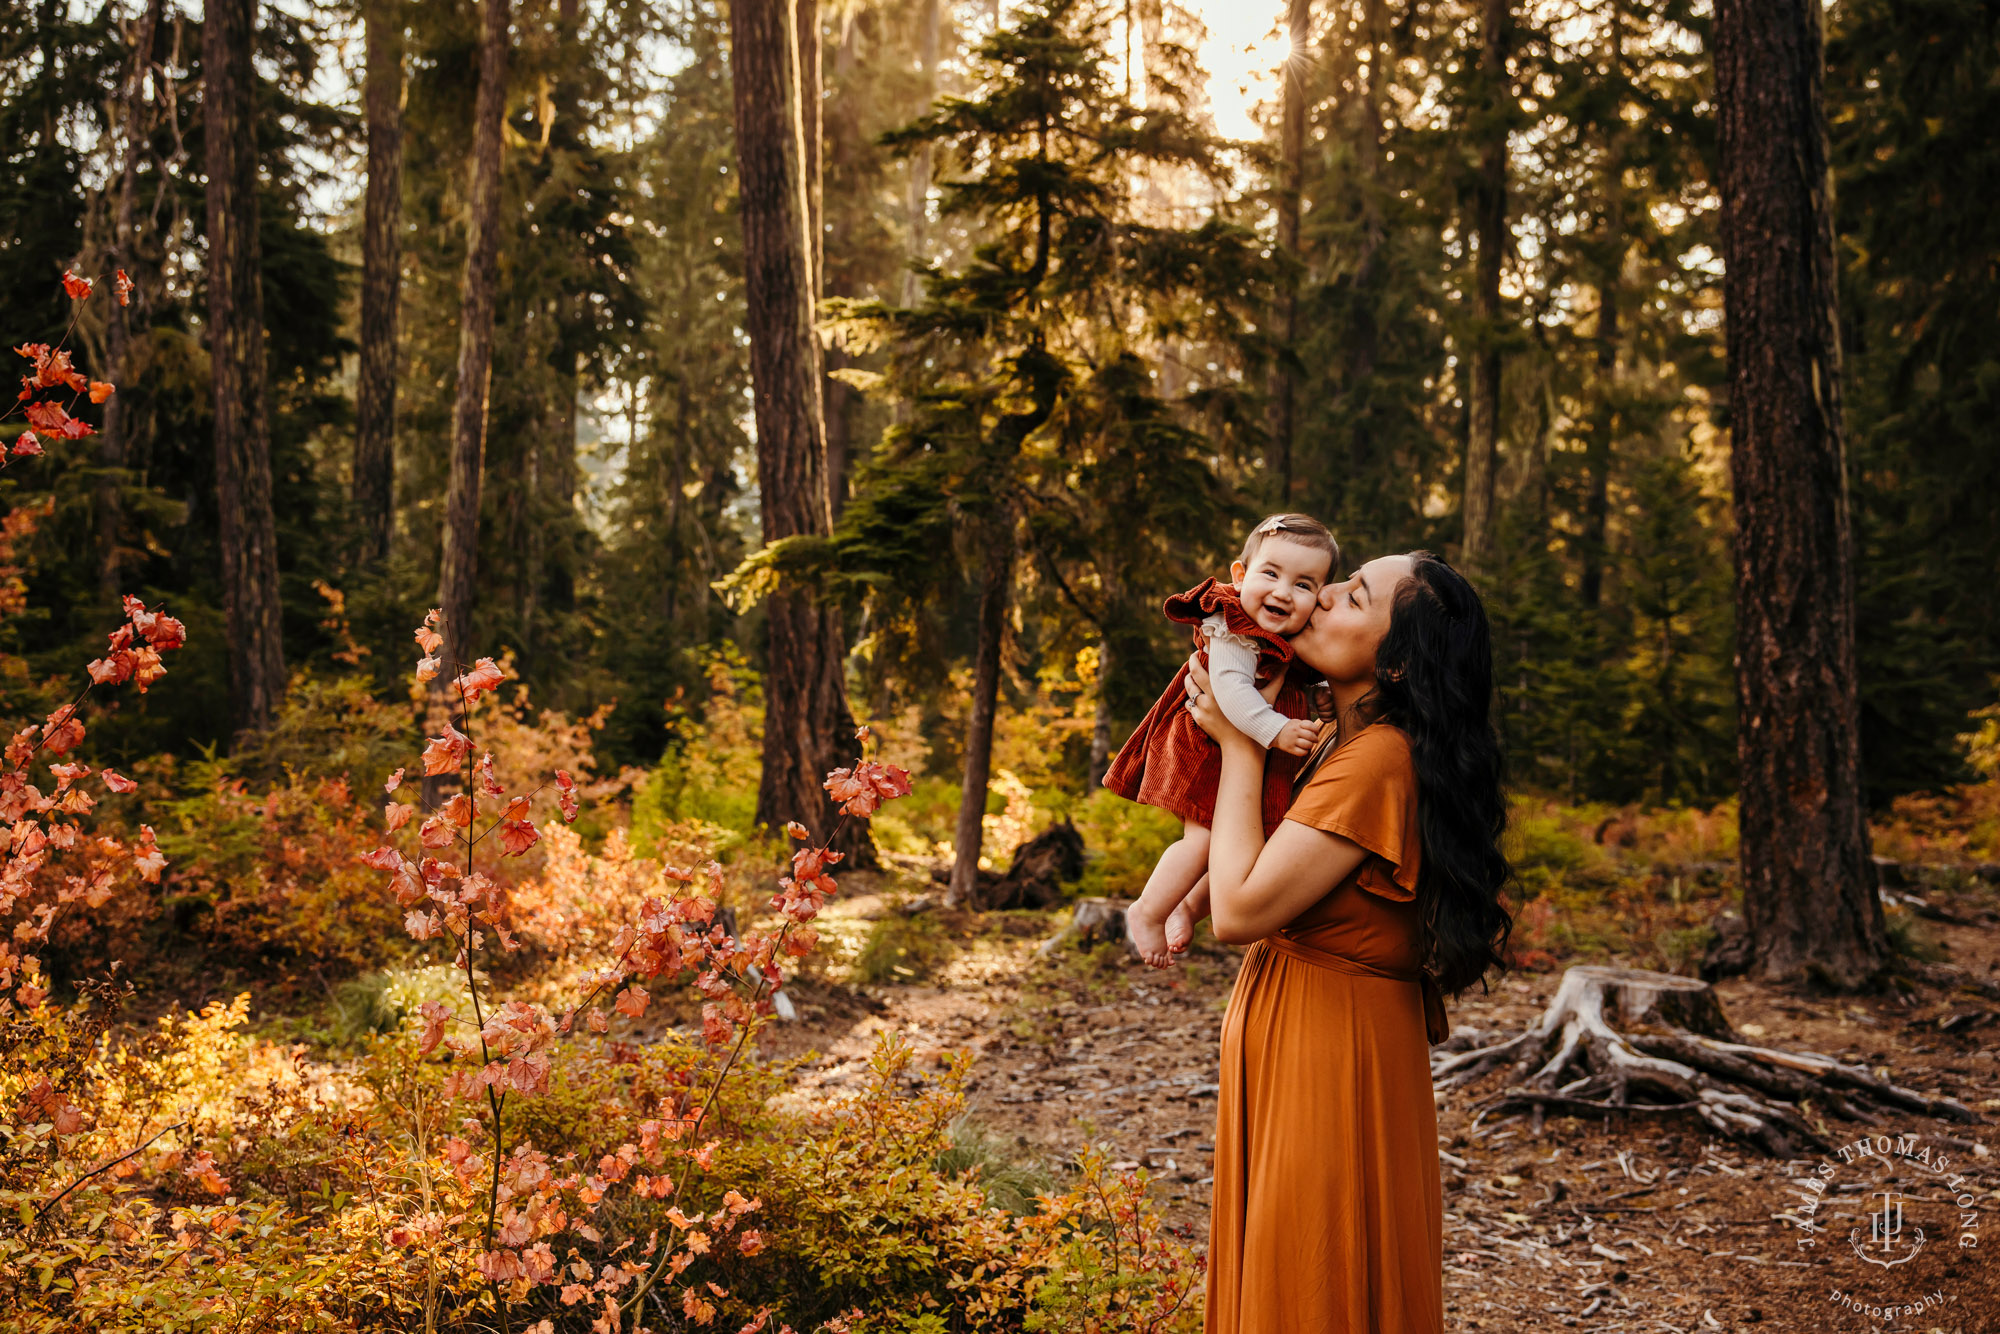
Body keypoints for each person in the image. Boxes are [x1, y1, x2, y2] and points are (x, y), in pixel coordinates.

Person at [1179, 551, 1514, 1334]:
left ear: (1397, 664)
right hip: (1313, 1031)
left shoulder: (1376, 759)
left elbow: (1239, 907)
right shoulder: (1339, 739)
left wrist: (1238, 743)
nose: (1320, 596)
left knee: (1312, 1277)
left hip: (1332, 1049)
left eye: (1353, 594)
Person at [1103, 514, 1338, 966]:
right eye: (1270, 573)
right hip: (1207, 746)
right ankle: (1147, 910)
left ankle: (1188, 906)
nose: (1283, 592)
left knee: (1251, 844)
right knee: (1204, 839)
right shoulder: (1231, 626)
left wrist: (1323, 696)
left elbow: (1301, 672)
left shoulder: (1281, 633)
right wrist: (1277, 729)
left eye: (1304, 584)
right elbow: (1230, 693)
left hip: (1246, 748)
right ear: (1240, 575)